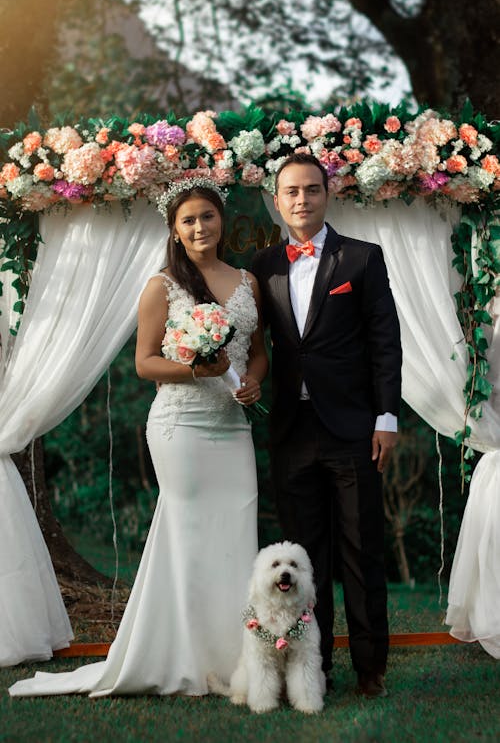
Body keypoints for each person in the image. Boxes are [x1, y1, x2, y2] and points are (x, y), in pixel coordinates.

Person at [9, 177, 268, 698]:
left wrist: (256, 378)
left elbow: (258, 348)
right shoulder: (161, 285)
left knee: (237, 532)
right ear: (174, 230)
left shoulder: (247, 281)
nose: (199, 227)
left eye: (207, 217)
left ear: (222, 220)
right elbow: (145, 363)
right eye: (188, 220)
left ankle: (236, 658)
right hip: (181, 425)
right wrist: (196, 371)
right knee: (187, 534)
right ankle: (180, 654)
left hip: (231, 427)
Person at [252, 153, 402, 698]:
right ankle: (315, 668)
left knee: (362, 551)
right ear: (276, 200)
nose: (301, 200)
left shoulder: (362, 259)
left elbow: (386, 341)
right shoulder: (262, 264)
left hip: (354, 429)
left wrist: (386, 418)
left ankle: (370, 668)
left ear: (327, 193)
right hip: (292, 430)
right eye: (290, 191)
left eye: (311, 190)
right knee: (303, 561)